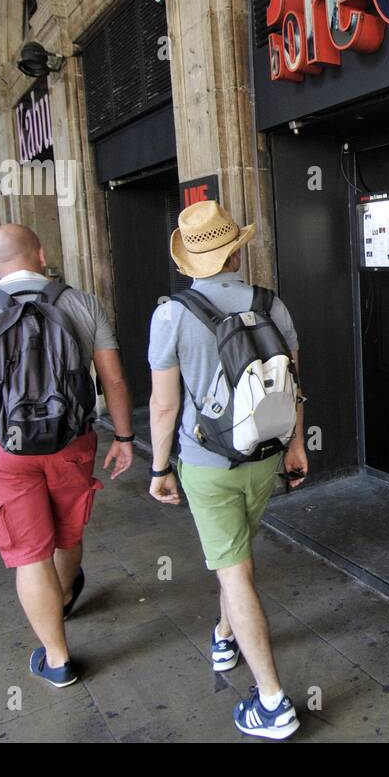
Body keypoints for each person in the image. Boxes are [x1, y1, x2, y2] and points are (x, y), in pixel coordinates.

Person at [0, 224, 133, 686]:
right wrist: (124, 437)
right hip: (72, 441)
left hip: (5, 449)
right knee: (67, 530)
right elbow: (114, 381)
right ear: (41, 255)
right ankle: (62, 595)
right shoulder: (83, 302)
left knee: (28, 553)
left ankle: (58, 658)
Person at [147, 201, 307, 740]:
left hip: (207, 462)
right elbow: (292, 382)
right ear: (235, 249)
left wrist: (159, 466)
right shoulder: (270, 304)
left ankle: (271, 703)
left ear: (188, 260)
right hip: (264, 456)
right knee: (235, 556)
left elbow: (164, 406)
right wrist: (296, 446)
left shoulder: (170, 313)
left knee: (234, 569)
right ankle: (223, 633)